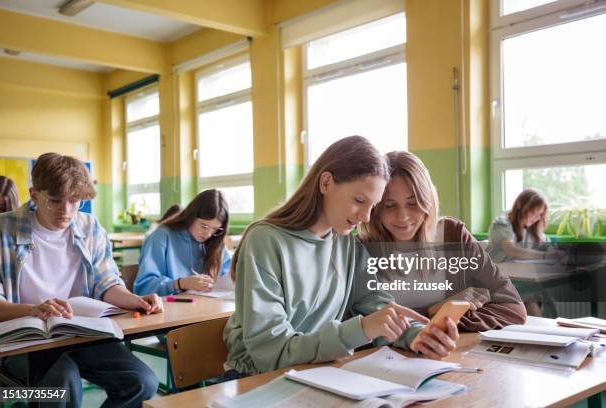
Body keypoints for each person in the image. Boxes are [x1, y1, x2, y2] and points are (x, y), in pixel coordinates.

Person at [223, 136, 459, 379]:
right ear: (326, 183)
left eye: (373, 206)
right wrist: (360, 329)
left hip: (318, 373)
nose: (366, 217)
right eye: (359, 200)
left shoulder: (347, 244)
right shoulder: (265, 240)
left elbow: (377, 306)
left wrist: (420, 337)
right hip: (257, 379)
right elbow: (271, 353)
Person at [0, 153, 161, 407]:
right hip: (24, 340)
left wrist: (135, 300)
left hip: (80, 333)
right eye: (55, 201)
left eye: (75, 201)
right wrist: (34, 310)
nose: (66, 211)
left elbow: (107, 283)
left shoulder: (89, 227)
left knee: (142, 382)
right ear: (35, 195)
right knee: (63, 385)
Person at [359, 151, 526, 331]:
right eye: (389, 205)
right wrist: (438, 313)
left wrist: (440, 321)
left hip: (448, 355)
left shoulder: (453, 235)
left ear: (428, 200)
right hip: (386, 358)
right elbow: (356, 328)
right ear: (376, 207)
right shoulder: (359, 249)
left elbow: (514, 308)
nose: (403, 216)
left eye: (413, 203)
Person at [134, 190, 230, 296]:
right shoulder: (161, 237)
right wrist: (180, 284)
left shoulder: (216, 242)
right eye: (204, 226)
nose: (208, 234)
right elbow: (143, 288)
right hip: (169, 309)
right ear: (191, 216)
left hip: (208, 308)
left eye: (215, 229)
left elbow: (229, 279)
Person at [487, 188, 553, 263]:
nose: (536, 218)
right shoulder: (501, 224)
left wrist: (552, 250)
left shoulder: (530, 227)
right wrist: (545, 256)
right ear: (520, 205)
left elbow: (545, 244)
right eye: (533, 212)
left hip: (520, 271)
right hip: (499, 270)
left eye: (540, 214)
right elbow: (511, 250)